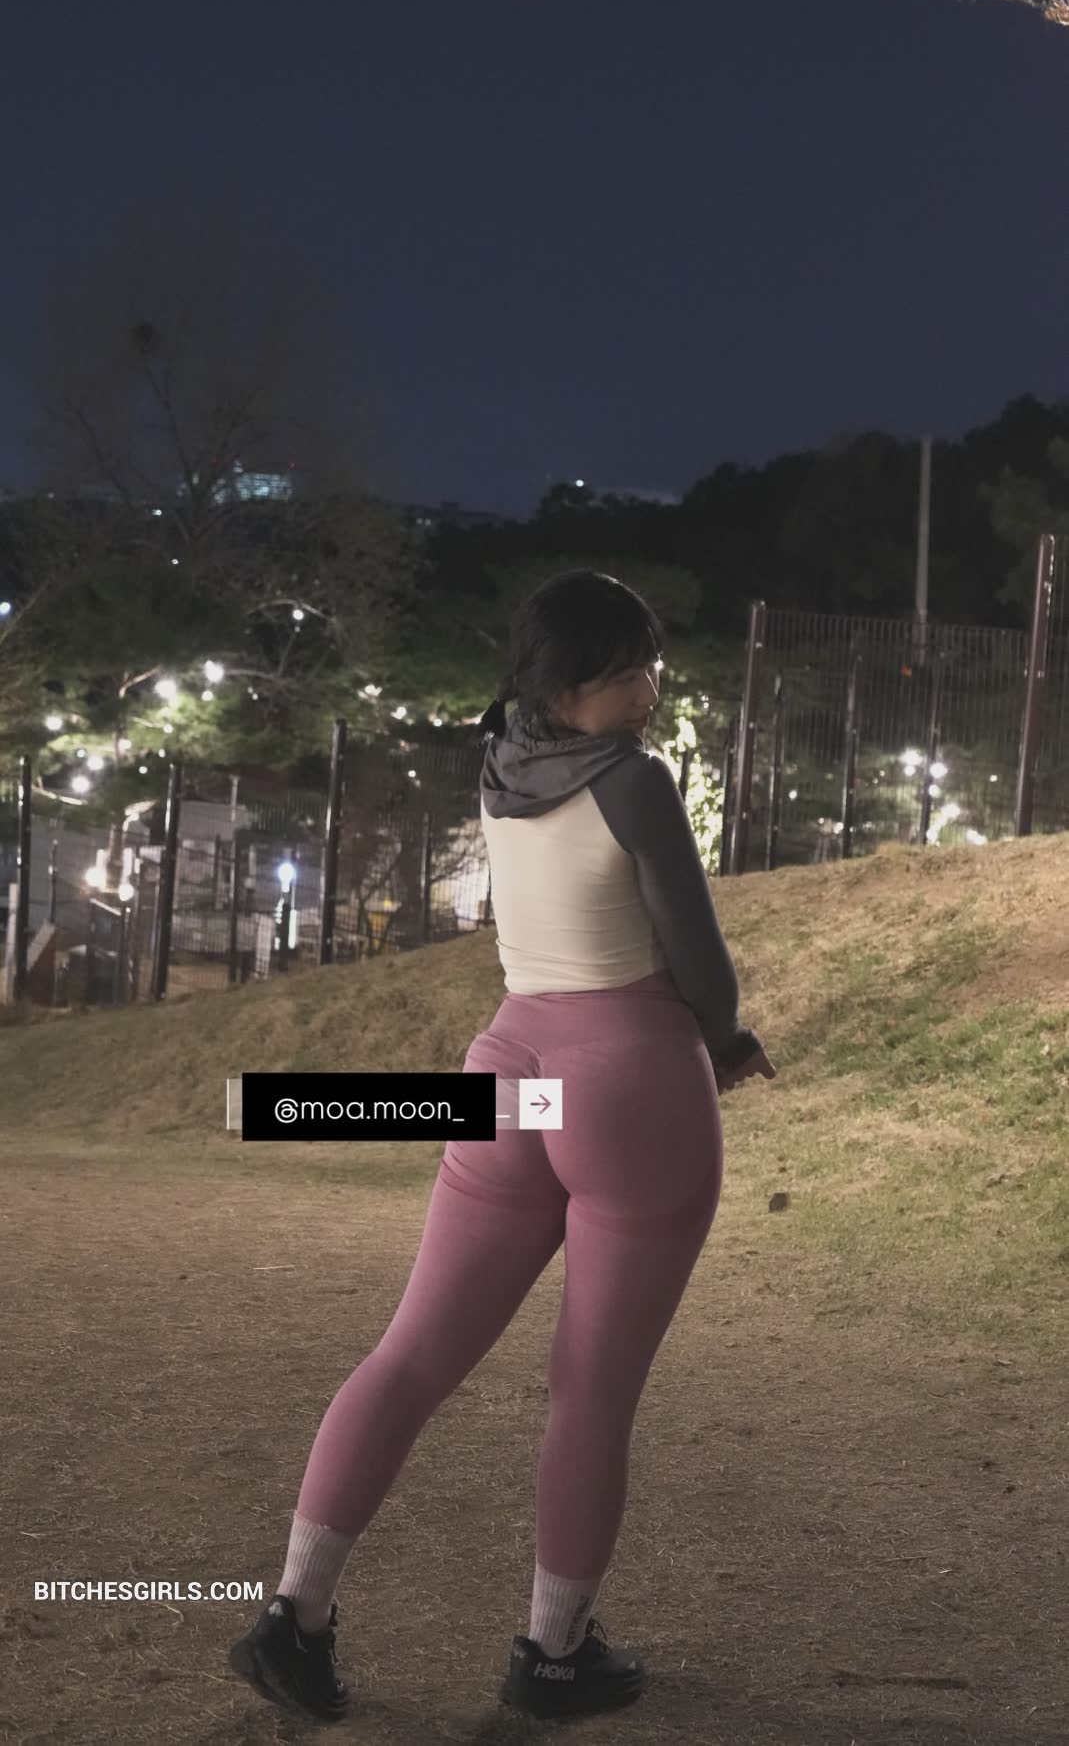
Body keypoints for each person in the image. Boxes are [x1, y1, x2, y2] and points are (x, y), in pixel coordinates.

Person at [227, 567, 775, 1724]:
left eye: (651, 664)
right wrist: (727, 1042)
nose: (650, 687)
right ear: (569, 683)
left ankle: (294, 1613)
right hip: (626, 1086)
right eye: (628, 670)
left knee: (409, 1355)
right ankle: (553, 1651)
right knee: (590, 1392)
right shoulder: (633, 781)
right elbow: (702, 965)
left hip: (511, 1076)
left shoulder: (501, 761)